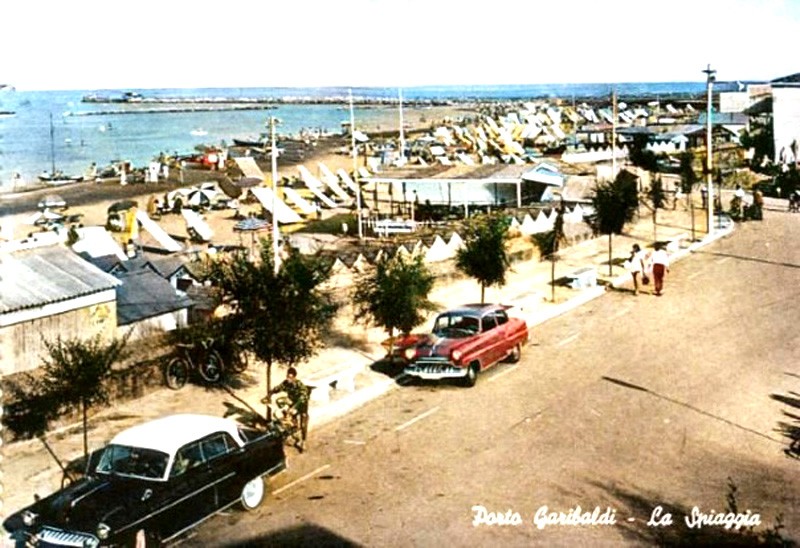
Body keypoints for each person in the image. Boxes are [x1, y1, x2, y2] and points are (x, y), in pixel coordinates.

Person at [262, 367, 310, 451]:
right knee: (280, 402)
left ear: (294, 377)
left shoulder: (300, 385)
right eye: (287, 377)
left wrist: (294, 408)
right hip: (292, 402)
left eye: (290, 377)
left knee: (303, 424)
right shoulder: (286, 383)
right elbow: (276, 389)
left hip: (302, 405)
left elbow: (303, 398)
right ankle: (292, 423)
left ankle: (304, 441)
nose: (288, 379)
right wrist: (267, 396)